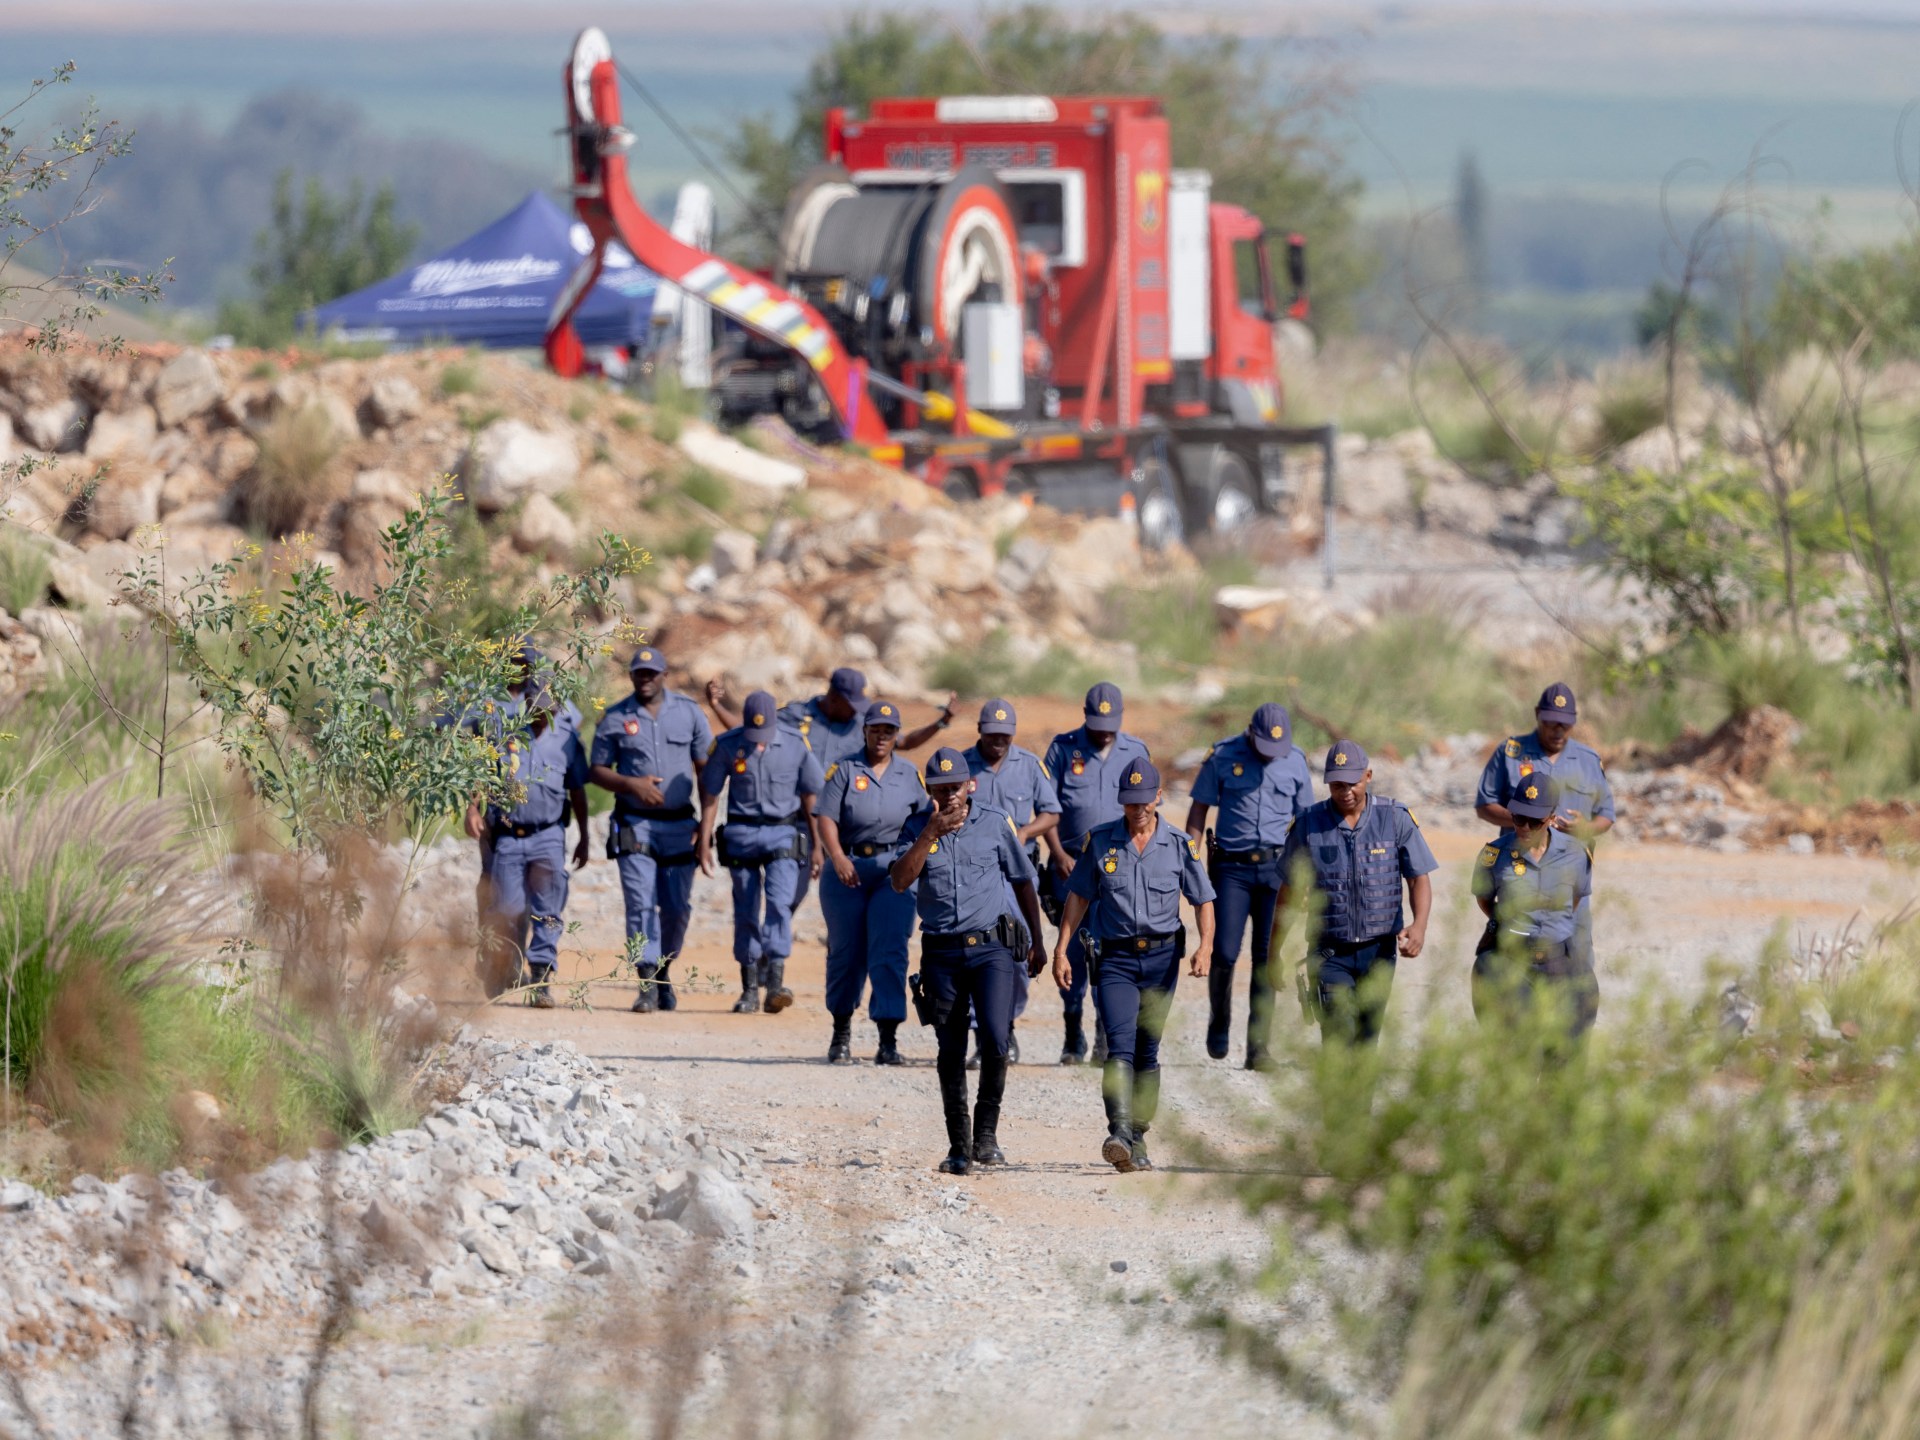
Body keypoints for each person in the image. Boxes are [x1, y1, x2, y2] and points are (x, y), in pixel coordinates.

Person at [890, 747, 1047, 1176]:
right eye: (940, 789)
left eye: (955, 787)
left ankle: (987, 1137)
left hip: (992, 949)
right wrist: (928, 835)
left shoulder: (995, 823)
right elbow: (900, 880)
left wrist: (1036, 941)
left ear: (969, 785)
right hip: (942, 950)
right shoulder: (914, 827)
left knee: (996, 1039)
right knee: (950, 1049)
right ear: (929, 790)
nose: (949, 796)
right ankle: (959, 1146)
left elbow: (1023, 882)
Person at [1053, 760, 1215, 1173]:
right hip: (1115, 959)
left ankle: (1138, 1137)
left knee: (1148, 1049)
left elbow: (1203, 899)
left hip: (1162, 960)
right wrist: (1061, 948)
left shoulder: (1180, 845)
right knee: (1118, 1043)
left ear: (1158, 797)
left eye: (1144, 801)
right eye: (1129, 802)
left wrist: (1206, 946)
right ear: (1121, 801)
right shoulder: (1102, 842)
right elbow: (1079, 897)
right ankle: (1119, 1132)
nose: (1137, 809)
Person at [1276, 741, 1437, 1048]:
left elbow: (1418, 878)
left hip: (1379, 953)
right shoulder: (1308, 825)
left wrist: (1420, 925)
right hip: (1329, 953)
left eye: (1353, 783)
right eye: (1337, 785)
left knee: (1365, 1043)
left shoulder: (1395, 818)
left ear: (1368, 776)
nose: (1345, 791)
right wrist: (1275, 950)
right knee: (1338, 1039)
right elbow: (1289, 894)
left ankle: (1359, 1099)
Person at [1183, 702, 1315, 1070]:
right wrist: (1190, 861)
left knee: (1266, 957)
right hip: (1232, 870)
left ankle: (1258, 1049)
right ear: (1249, 733)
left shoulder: (1296, 760)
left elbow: (1306, 821)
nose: (1272, 755)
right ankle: (1219, 1020)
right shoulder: (1223, 755)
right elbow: (1198, 810)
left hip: (1278, 871)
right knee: (1224, 952)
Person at [588, 645, 713, 1014]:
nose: (645, 679)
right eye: (639, 673)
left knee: (676, 908)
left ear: (664, 675)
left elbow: (707, 772)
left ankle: (663, 972)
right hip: (635, 824)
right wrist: (632, 784)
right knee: (640, 903)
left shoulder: (690, 714)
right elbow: (596, 769)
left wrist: (705, 833)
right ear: (631, 676)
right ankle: (645, 981)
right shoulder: (614, 717)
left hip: (679, 826)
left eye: (651, 673)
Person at [814, 699, 931, 1066]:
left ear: (898, 735)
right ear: (864, 731)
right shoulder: (845, 769)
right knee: (847, 952)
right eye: (876, 729)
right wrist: (836, 856)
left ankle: (888, 1039)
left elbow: (926, 819)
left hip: (893, 873)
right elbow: (826, 818)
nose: (882, 736)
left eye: (889, 730)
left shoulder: (909, 774)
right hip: (847, 868)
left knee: (890, 950)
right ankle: (841, 1032)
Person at [1042, 682, 1152, 1064]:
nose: (1104, 729)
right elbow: (1047, 808)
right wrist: (1056, 854)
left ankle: (1106, 1037)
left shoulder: (1136, 751)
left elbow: (1151, 809)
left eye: (1111, 722)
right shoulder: (1062, 748)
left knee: (1111, 954)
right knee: (1071, 949)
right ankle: (1073, 1033)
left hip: (1120, 868)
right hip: (1071, 864)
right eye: (1097, 721)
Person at [697, 690, 825, 1015]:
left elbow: (811, 797)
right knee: (746, 909)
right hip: (740, 835)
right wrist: (704, 838)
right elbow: (710, 793)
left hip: (783, 834)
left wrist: (817, 846)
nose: (758, 742)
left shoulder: (796, 744)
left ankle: (776, 983)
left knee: (780, 904)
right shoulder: (728, 744)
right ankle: (749, 989)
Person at [1474, 681, 1615, 972]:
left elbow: (1607, 815)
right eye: (1551, 723)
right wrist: (1526, 821)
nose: (1558, 730)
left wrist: (1584, 828)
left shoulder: (1588, 760)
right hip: (1519, 869)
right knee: (1512, 959)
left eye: (1566, 724)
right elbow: (1484, 803)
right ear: (1538, 714)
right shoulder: (1511, 753)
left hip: (1567, 872)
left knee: (1575, 957)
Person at [464, 684, 590, 1009]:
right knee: (505, 907)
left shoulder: (567, 741)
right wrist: (472, 808)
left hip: (548, 836)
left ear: (556, 711)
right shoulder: (506, 736)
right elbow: (483, 774)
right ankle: (505, 965)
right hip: (509, 835)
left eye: (546, 710)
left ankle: (541, 977)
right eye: (535, 708)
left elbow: (577, 790)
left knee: (547, 910)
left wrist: (586, 835)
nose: (540, 715)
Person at [962, 698, 1061, 1066]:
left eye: (1005, 735)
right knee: (976, 953)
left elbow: (1052, 813)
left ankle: (1008, 1026)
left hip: (1018, 875)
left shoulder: (1030, 765)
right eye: (992, 735)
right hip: (975, 877)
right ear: (980, 732)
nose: (998, 741)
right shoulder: (963, 765)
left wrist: (1025, 831)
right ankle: (983, 1036)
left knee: (1018, 953)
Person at [1471, 776, 1599, 1041]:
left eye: (1535, 821)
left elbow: (1574, 901)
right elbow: (1485, 900)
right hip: (1513, 960)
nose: (1524, 827)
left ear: (1552, 818)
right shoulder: (1493, 855)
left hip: (1560, 960)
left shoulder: (1576, 854)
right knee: (1517, 1048)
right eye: (1518, 818)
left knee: (1567, 1050)